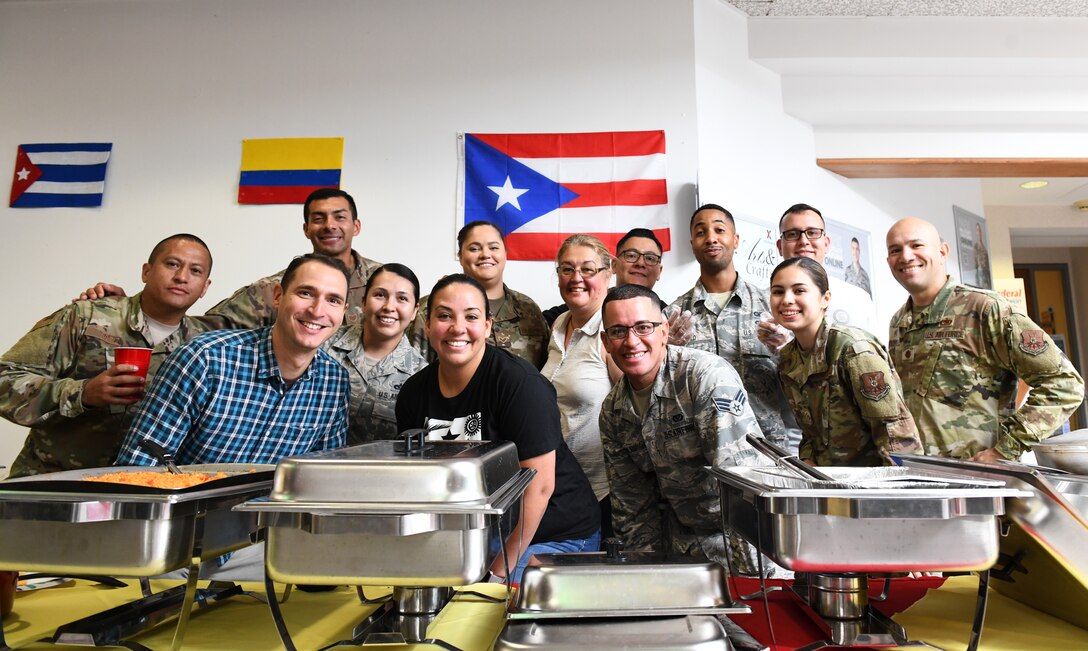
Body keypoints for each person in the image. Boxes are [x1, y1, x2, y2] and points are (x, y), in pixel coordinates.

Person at [396, 274, 600, 584]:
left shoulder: (519, 385)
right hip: (477, 533)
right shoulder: (413, 394)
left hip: (552, 532)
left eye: (471, 316)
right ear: (427, 325)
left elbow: (540, 488)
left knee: (480, 603)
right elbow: (419, 483)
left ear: (488, 326)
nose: (457, 328)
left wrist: (496, 574)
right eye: (444, 315)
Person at [0, 234, 214, 477]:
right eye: (172, 264)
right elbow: (6, 379)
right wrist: (83, 393)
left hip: (138, 494)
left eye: (195, 271)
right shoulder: (86, 316)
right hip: (52, 483)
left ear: (205, 287)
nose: (182, 277)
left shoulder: (202, 347)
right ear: (146, 271)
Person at [116, 253, 350, 467]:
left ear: (344, 311)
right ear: (278, 296)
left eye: (333, 300)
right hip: (188, 510)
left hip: (270, 512)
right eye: (306, 293)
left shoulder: (335, 383)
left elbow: (321, 478)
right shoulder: (204, 359)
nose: (318, 310)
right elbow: (137, 465)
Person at [598, 284, 768, 576]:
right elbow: (633, 507)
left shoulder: (704, 378)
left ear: (664, 331)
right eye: (618, 331)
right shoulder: (613, 411)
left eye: (643, 327)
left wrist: (751, 582)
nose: (631, 341)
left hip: (744, 545)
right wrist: (643, 576)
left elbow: (742, 489)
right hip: (681, 549)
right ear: (606, 341)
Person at [886, 217, 1084, 461]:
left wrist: (1004, 451)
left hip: (979, 482)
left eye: (916, 245)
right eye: (895, 250)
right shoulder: (900, 322)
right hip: (920, 477)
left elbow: (1065, 384)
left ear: (942, 251)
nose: (905, 256)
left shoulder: (985, 309)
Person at [77, 188, 381, 328]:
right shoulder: (272, 289)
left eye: (339, 217)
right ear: (306, 229)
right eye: (319, 218)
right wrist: (131, 307)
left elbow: (423, 330)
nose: (329, 225)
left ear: (356, 225)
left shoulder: (385, 286)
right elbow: (202, 329)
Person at [769, 257, 921, 466]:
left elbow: (896, 437)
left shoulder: (855, 350)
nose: (786, 300)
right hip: (829, 486)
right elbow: (810, 433)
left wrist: (895, 496)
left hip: (873, 486)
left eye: (799, 291)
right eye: (778, 291)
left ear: (825, 298)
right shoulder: (789, 359)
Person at [668, 204, 792, 450]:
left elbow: (802, 379)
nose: (711, 238)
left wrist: (787, 348)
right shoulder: (674, 317)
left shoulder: (773, 306)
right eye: (701, 232)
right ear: (692, 243)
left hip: (766, 448)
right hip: (699, 452)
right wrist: (667, 354)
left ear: (735, 240)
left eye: (719, 230)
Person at [540, 235, 622, 540]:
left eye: (588, 269)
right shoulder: (559, 323)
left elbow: (635, 414)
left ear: (608, 273)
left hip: (604, 494)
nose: (576, 278)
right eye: (567, 269)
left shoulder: (613, 329)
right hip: (560, 489)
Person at [408, 220, 549, 369]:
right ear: (460, 256)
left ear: (505, 254)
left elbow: (547, 371)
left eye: (494, 247)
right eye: (474, 249)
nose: (486, 255)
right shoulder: (431, 308)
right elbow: (414, 373)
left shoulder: (528, 309)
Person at [325, 263, 427, 444]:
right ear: (363, 303)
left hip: (380, 471)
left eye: (402, 299)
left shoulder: (421, 375)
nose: (389, 306)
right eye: (380, 295)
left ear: (414, 311)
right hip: (314, 466)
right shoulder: (325, 343)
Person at [771, 204, 876, 335]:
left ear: (826, 244)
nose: (803, 241)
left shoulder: (858, 299)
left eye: (813, 233)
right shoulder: (763, 303)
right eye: (793, 234)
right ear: (780, 247)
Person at [542, 228, 665, 326]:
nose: (640, 263)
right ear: (614, 266)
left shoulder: (667, 317)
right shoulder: (571, 313)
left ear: (659, 271)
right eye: (631, 255)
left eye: (650, 258)